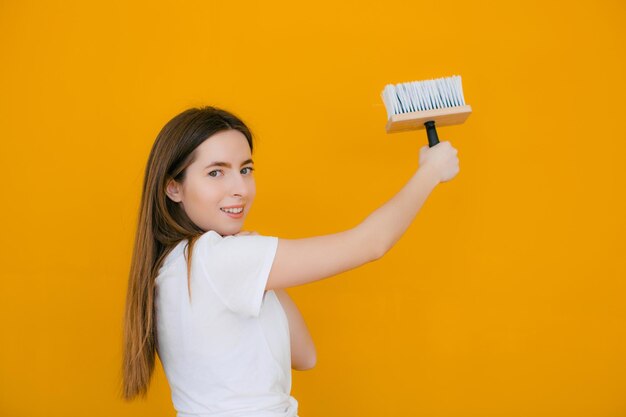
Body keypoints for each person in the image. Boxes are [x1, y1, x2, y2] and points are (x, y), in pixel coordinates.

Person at [121, 106, 459, 416]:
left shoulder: (179, 265)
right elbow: (370, 243)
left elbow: (305, 355)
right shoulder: (216, 259)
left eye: (246, 169)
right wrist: (430, 172)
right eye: (215, 173)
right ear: (173, 188)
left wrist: (265, 273)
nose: (240, 187)